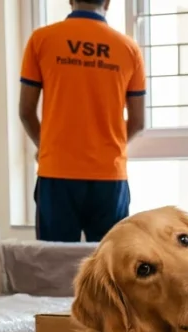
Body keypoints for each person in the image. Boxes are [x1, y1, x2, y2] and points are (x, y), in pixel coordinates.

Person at [18, 0, 146, 242]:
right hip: (109, 177)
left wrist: (45, 146)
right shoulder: (128, 48)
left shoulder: (42, 40)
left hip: (57, 173)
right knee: (111, 270)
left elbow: (25, 111)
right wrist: (109, 145)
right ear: (107, 2)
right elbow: (138, 121)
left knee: (54, 267)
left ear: (70, 0)